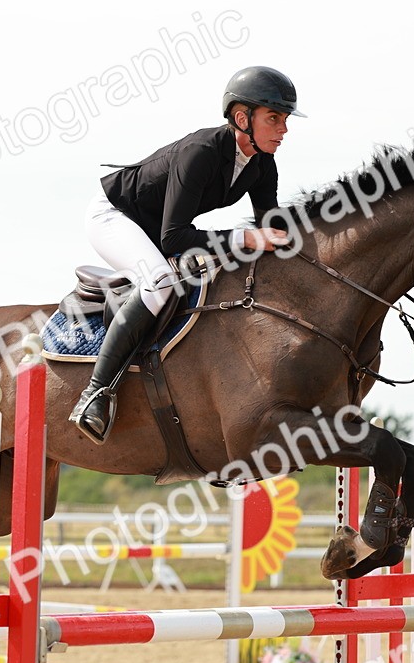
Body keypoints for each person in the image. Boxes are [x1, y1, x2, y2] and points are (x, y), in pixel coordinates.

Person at [69, 65, 304, 444]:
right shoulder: (201, 152)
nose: (284, 129)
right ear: (242, 118)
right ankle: (95, 394)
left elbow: (272, 232)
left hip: (158, 226)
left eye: (286, 119)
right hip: (116, 216)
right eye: (274, 118)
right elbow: (175, 238)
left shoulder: (263, 165)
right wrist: (244, 238)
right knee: (160, 282)